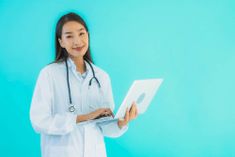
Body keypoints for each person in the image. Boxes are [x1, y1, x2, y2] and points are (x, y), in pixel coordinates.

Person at [29, 12, 138, 157]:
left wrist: (121, 122)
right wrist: (83, 117)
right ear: (61, 42)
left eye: (81, 34)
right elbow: (39, 121)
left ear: (88, 35)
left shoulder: (101, 76)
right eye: (69, 36)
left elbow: (105, 126)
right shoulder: (49, 74)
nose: (77, 41)